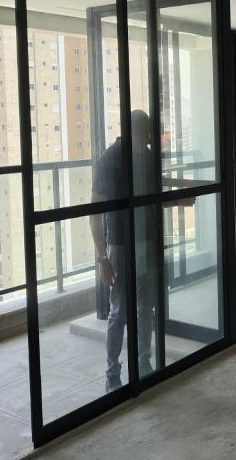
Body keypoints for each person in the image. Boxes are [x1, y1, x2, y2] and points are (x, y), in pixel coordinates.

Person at [90, 109, 157, 392]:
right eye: (143, 138)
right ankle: (112, 375)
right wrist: (102, 258)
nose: (146, 144)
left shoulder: (148, 157)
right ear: (131, 134)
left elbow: (152, 199)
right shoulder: (109, 160)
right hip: (119, 245)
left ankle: (143, 364)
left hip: (146, 241)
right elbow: (95, 212)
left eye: (148, 139)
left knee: (145, 309)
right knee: (119, 311)